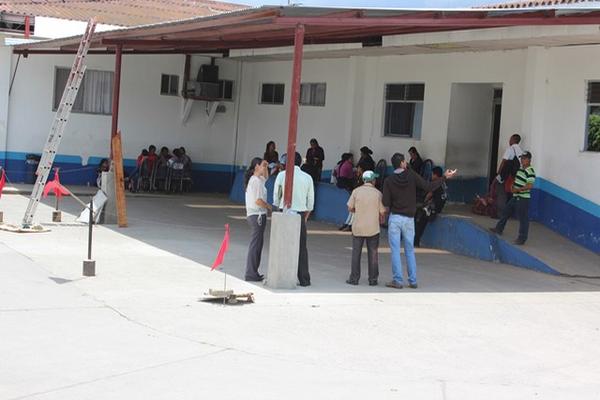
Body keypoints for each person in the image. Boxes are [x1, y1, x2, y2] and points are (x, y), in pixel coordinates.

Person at [383, 153, 457, 289]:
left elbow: (386, 202)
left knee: (395, 250)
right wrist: (445, 177)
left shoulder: (388, 180)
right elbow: (428, 186)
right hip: (409, 219)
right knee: (409, 250)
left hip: (395, 218)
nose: (406, 163)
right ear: (402, 163)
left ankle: (397, 280)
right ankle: (413, 280)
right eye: (405, 161)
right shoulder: (411, 175)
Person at [273, 152, 315, 287]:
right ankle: (304, 279)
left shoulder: (281, 175)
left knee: (282, 245)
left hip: (284, 212)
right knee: (302, 247)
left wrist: (279, 207)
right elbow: (311, 202)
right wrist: (305, 217)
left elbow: (276, 196)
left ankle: (282, 276)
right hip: (300, 214)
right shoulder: (307, 177)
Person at [346, 170, 386, 286]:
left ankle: (354, 278)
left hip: (358, 227)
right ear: (373, 180)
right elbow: (382, 211)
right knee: (373, 254)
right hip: (373, 228)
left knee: (356, 253)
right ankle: (373, 279)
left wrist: (357, 211)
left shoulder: (356, 191)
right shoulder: (378, 194)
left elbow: (349, 207)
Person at [490, 151, 535, 245]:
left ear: (529, 160)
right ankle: (499, 229)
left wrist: (518, 190)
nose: (522, 160)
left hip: (523, 198)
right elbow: (516, 180)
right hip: (515, 196)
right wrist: (512, 186)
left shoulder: (530, 171)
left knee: (523, 218)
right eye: (521, 158)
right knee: (506, 211)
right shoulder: (520, 169)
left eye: (524, 159)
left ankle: (522, 238)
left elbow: (530, 186)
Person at [244, 157, 272, 281]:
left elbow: (266, 177)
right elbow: (258, 201)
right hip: (257, 215)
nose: (264, 168)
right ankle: (250, 273)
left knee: (258, 245)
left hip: (258, 215)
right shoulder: (255, 181)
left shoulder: (259, 179)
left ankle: (253, 271)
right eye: (262, 165)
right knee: (255, 245)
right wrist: (269, 207)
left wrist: (265, 166)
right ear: (256, 166)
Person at [414, 167, 448, 247]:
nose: (431, 176)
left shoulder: (436, 183)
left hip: (434, 208)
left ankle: (416, 241)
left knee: (420, 216)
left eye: (432, 174)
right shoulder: (443, 183)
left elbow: (429, 195)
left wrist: (423, 202)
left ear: (435, 175)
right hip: (440, 207)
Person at [494, 134, 523, 216]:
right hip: (516, 176)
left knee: (501, 192)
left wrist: (498, 173)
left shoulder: (510, 149)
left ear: (513, 140)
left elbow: (504, 162)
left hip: (506, 175)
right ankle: (510, 213)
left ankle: (500, 213)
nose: (509, 141)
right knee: (511, 194)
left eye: (510, 139)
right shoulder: (521, 151)